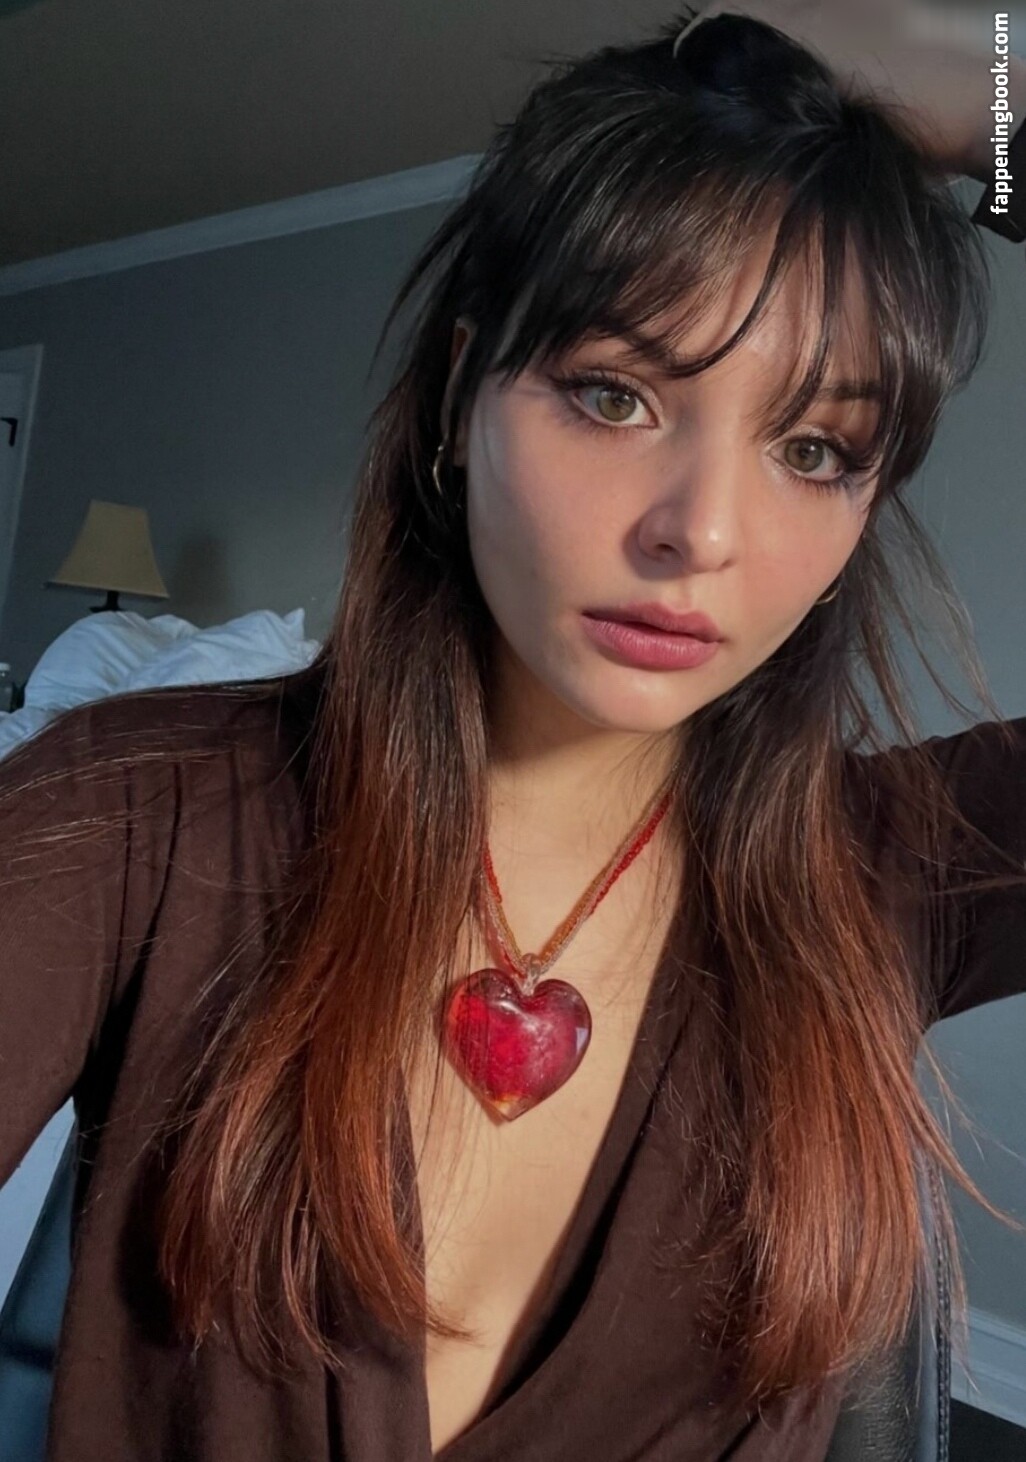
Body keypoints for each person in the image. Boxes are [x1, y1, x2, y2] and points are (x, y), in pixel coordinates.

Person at [1, 4, 1025, 1459]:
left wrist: (992, 87)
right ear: (460, 395)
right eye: (614, 395)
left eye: (812, 448)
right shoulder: (141, 815)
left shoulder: (888, 873)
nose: (701, 533)